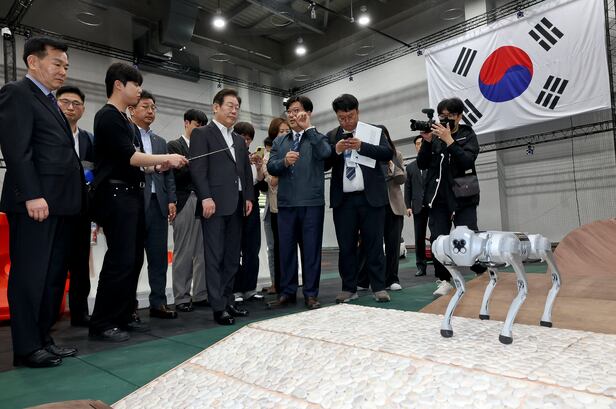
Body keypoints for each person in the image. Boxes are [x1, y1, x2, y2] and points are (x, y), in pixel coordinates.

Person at [89, 62, 188, 342]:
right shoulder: (108, 117)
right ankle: (102, 322)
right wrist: (166, 158)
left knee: (132, 260)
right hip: (116, 196)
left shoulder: (123, 119)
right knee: (119, 261)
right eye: (136, 85)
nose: (140, 91)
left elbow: (132, 162)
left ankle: (122, 316)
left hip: (131, 195)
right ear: (119, 85)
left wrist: (157, 167)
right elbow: (130, 157)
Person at [0, 36, 83, 367]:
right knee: (29, 276)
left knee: (51, 277)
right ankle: (26, 348)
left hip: (59, 205)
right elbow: (17, 150)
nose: (63, 71)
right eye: (57, 64)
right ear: (33, 62)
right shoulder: (17, 93)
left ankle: (42, 339)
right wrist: (32, 194)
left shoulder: (50, 101)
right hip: (35, 204)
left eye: (66, 66)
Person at [189, 88, 254, 326]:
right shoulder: (202, 134)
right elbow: (197, 168)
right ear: (216, 107)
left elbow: (245, 172)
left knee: (231, 258)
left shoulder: (237, 139)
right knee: (214, 257)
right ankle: (218, 307)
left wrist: (248, 197)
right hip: (214, 205)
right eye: (229, 106)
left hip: (236, 204)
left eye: (237, 107)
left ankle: (228, 300)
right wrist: (205, 197)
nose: (234, 110)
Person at [325, 94, 393, 304]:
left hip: (371, 197)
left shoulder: (373, 131)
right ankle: (348, 288)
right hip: (344, 201)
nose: (347, 121)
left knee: (374, 244)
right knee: (346, 246)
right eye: (342, 118)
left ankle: (379, 287)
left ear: (358, 112)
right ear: (337, 116)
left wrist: (363, 146)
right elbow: (322, 164)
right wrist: (336, 151)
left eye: (351, 116)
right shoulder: (331, 136)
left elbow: (387, 153)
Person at [267, 96, 331, 310]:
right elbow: (271, 167)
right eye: (290, 112)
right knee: (286, 250)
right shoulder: (280, 141)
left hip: (311, 203)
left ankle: (311, 294)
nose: (293, 115)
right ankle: (287, 292)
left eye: (297, 111)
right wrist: (284, 162)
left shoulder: (317, 137)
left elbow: (326, 154)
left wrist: (309, 129)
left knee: (311, 250)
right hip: (286, 204)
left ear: (308, 113)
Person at [417, 97, 482, 296]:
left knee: (468, 236)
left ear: (459, 116)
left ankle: (480, 271)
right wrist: (427, 142)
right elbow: (422, 164)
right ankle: (444, 279)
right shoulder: (435, 136)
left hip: (463, 195)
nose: (445, 119)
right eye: (442, 116)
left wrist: (450, 140)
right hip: (438, 196)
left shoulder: (467, 133)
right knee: (438, 239)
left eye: (450, 115)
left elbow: (467, 160)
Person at [128, 90, 178, 319]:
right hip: (136, 203)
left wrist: (171, 200)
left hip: (159, 204)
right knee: (132, 258)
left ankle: (158, 303)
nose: (150, 112)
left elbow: (168, 175)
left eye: (153, 108)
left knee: (158, 258)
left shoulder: (160, 141)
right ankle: (128, 306)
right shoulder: (127, 135)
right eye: (145, 107)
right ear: (132, 109)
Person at [56, 84, 95, 327]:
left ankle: (80, 313)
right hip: (55, 210)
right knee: (55, 264)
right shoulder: (50, 134)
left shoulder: (89, 139)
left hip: (82, 210)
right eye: (65, 102)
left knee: (80, 263)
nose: (71, 107)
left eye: (76, 104)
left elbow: (95, 171)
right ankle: (51, 314)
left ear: (83, 109)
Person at [167, 109, 209, 312]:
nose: (199, 129)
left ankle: (201, 294)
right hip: (184, 200)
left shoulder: (205, 147)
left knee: (203, 251)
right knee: (184, 251)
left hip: (204, 202)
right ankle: (182, 297)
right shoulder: (174, 146)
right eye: (196, 124)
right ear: (186, 123)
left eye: (203, 126)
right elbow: (175, 175)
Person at [233, 121, 267, 302]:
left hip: (252, 205)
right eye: (242, 138)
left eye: (249, 139)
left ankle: (250, 287)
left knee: (252, 248)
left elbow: (260, 183)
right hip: (234, 204)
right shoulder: (230, 156)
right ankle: (236, 288)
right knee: (234, 249)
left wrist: (259, 166)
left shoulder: (252, 157)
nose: (246, 142)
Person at [262, 117, 290, 295]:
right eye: (281, 132)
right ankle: (278, 284)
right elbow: (272, 181)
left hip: (294, 206)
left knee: (292, 248)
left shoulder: (295, 150)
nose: (285, 134)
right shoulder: (267, 157)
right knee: (278, 248)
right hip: (277, 209)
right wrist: (285, 164)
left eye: (287, 131)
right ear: (274, 135)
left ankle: (291, 283)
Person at [379, 126, 406, 290]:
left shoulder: (397, 155)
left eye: (384, 136)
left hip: (394, 206)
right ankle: (369, 279)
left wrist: (392, 166)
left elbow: (402, 179)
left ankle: (392, 279)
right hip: (375, 205)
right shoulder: (370, 156)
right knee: (372, 244)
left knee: (393, 245)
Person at [405, 135, 429, 278]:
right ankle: (421, 266)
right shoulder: (410, 167)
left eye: (422, 143)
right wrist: (408, 206)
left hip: (433, 204)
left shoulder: (433, 162)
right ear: (415, 147)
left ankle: (440, 265)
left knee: (437, 236)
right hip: (418, 206)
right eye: (418, 143)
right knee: (419, 237)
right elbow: (408, 188)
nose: (420, 145)